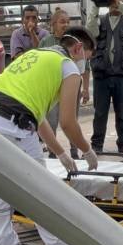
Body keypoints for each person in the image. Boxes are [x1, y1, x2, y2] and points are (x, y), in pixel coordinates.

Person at [0, 28, 99, 245]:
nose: (85, 65)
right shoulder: (67, 66)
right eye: (87, 58)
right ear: (78, 49)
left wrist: (60, 153)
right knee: (39, 188)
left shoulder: (36, 55)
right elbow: (68, 122)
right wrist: (87, 150)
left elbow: (37, 116)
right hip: (13, 125)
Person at [38, 8, 90, 156]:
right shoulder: (46, 41)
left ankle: (74, 152)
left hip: (72, 88)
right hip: (52, 89)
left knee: (72, 120)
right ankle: (53, 152)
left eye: (68, 22)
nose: (65, 24)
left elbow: (85, 68)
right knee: (52, 121)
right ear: (53, 24)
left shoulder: (76, 43)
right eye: (62, 22)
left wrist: (85, 89)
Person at [90, 0, 123, 154]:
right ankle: (96, 145)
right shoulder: (100, 20)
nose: (114, 2)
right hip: (102, 74)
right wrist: (95, 5)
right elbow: (90, 31)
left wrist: (120, 5)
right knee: (100, 112)